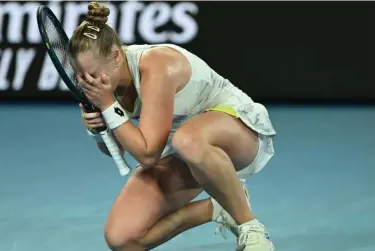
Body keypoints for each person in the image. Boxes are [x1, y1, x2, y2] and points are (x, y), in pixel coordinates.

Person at [70, 2, 276, 251]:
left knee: (187, 140)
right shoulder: (104, 85)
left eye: (92, 74)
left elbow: (147, 154)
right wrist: (96, 129)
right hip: (183, 148)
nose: (87, 83)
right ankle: (221, 206)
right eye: (80, 77)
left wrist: (107, 105)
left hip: (237, 131)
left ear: (115, 56)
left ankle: (250, 228)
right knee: (122, 238)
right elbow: (117, 148)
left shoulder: (158, 66)